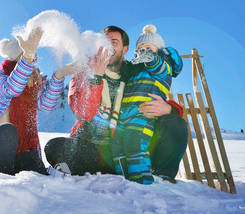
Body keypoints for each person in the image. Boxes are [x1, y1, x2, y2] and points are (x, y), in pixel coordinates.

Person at [44, 25, 188, 182]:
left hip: (130, 144)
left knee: (175, 123)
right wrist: (95, 78)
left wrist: (170, 108)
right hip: (93, 148)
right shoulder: (85, 72)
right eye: (104, 42)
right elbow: (83, 113)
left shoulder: (136, 71)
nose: (108, 46)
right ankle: (92, 176)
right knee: (54, 146)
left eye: (114, 42)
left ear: (125, 49)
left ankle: (162, 178)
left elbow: (154, 88)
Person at [0, 27, 83, 176]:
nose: (32, 63)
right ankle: (4, 183)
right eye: (27, 57)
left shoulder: (32, 88)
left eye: (32, 58)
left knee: (39, 172)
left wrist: (59, 75)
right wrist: (27, 59)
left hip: (18, 154)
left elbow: (46, 105)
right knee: (7, 130)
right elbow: (12, 88)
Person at [111, 24, 183, 184]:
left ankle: (142, 182)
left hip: (143, 116)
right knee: (116, 147)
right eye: (140, 48)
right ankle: (123, 180)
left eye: (149, 48)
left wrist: (152, 58)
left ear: (158, 50)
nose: (144, 50)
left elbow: (159, 67)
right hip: (124, 117)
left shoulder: (164, 66)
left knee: (134, 145)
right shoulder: (135, 70)